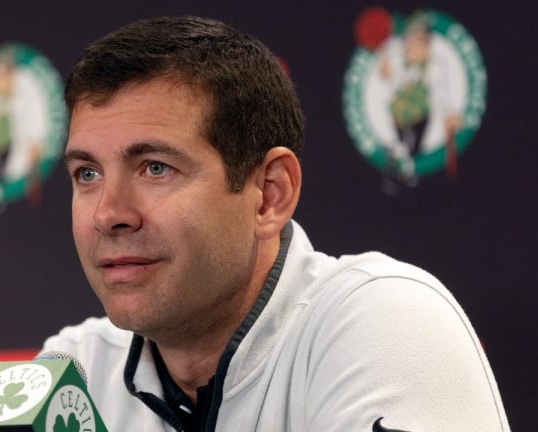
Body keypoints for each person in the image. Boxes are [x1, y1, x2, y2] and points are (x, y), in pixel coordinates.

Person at [43, 15, 510, 431]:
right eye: (88, 174)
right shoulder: (75, 370)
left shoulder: (385, 319)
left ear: (270, 195)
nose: (108, 214)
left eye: (156, 167)